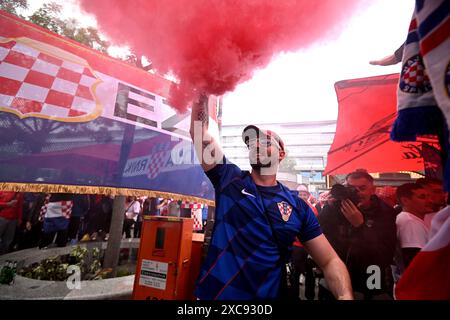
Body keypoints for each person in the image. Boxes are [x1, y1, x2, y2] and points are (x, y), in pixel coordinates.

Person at [190, 95, 353, 300]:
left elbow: (330, 261)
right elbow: (199, 133)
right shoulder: (229, 180)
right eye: (251, 143)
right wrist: (200, 91)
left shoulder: (297, 206)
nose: (256, 145)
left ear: (281, 154)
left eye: (265, 142)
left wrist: (345, 296)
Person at [318, 170, 397, 299]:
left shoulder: (385, 212)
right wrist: (329, 208)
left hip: (373, 273)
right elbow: (319, 235)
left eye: (362, 188)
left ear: (373, 190)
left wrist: (361, 226)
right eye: (351, 188)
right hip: (340, 271)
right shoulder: (337, 208)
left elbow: (384, 255)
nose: (357, 192)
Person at [395, 183, 434, 274]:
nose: (430, 201)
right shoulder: (410, 222)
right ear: (405, 201)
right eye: (422, 197)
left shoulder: (409, 219)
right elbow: (414, 259)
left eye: (428, 196)